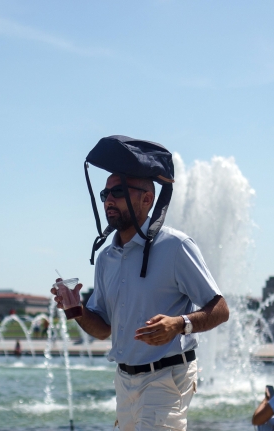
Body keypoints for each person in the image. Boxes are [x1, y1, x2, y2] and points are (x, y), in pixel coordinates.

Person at [51, 135, 229, 431]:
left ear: (147, 199)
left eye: (118, 192)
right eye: (105, 194)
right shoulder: (108, 257)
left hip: (167, 377)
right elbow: (104, 328)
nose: (109, 200)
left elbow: (220, 309)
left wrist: (179, 323)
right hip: (124, 381)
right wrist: (76, 311)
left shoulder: (175, 246)